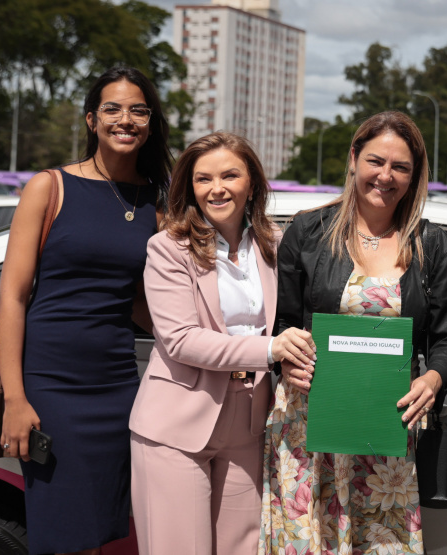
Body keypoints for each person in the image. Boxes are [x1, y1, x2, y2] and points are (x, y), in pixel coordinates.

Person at [259, 111, 447, 555]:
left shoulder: (433, 245)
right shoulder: (308, 231)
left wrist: (433, 379)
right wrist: (287, 359)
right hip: (310, 421)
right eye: (376, 161)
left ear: (415, 176)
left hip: (386, 427)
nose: (385, 176)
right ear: (354, 157)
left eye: (401, 167)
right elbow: (283, 324)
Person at [0, 66, 172, 555]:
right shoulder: (48, 187)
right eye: (112, 109)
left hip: (119, 387)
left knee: (96, 534)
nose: (126, 119)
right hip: (51, 385)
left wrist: (213, 346)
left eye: (138, 110)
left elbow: (139, 301)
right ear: (92, 119)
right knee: (63, 536)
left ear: (151, 124)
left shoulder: (156, 202)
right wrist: (16, 398)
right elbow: (12, 297)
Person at [129, 132, 315, 555]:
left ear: (252, 183)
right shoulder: (168, 249)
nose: (217, 189)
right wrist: (271, 350)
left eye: (230, 175)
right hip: (176, 425)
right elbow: (181, 340)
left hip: (249, 424)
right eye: (203, 179)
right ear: (189, 188)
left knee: (242, 549)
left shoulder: (274, 246)